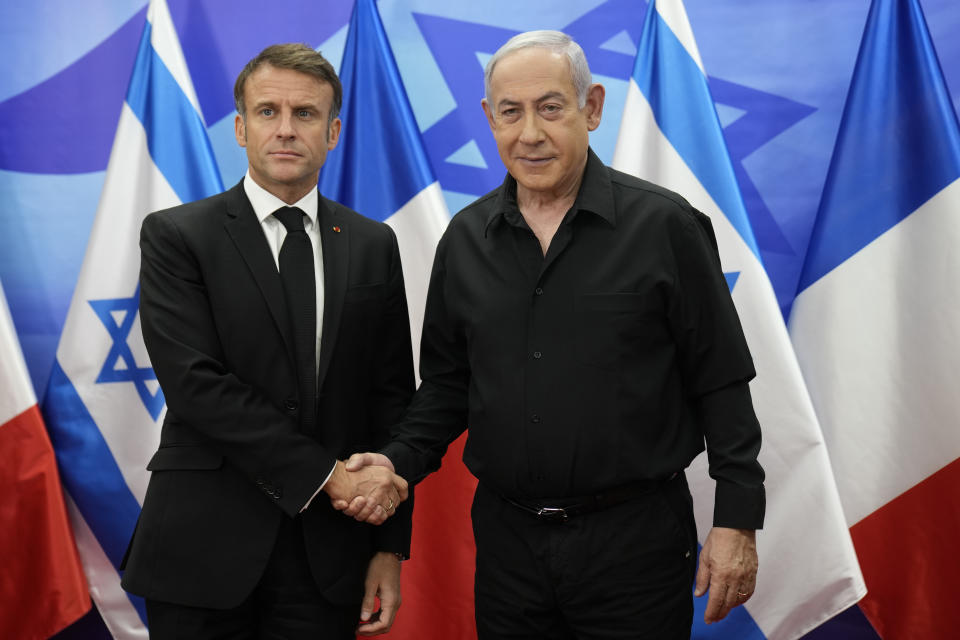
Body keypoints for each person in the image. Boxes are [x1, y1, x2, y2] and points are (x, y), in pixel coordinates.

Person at [340, 30, 764, 638]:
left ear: (591, 108)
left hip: (635, 545)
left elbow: (722, 381)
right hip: (509, 546)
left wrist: (737, 522)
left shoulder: (665, 226)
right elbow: (446, 386)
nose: (529, 133)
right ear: (490, 119)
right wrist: (396, 465)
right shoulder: (464, 240)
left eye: (551, 107)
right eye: (510, 112)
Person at [120, 43, 414, 638]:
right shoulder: (178, 236)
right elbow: (197, 387)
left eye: (305, 114)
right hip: (201, 553)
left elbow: (390, 401)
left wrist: (388, 547)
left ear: (333, 132)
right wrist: (330, 477)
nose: (285, 129)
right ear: (239, 127)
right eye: (267, 112)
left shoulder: (373, 243)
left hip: (329, 559)